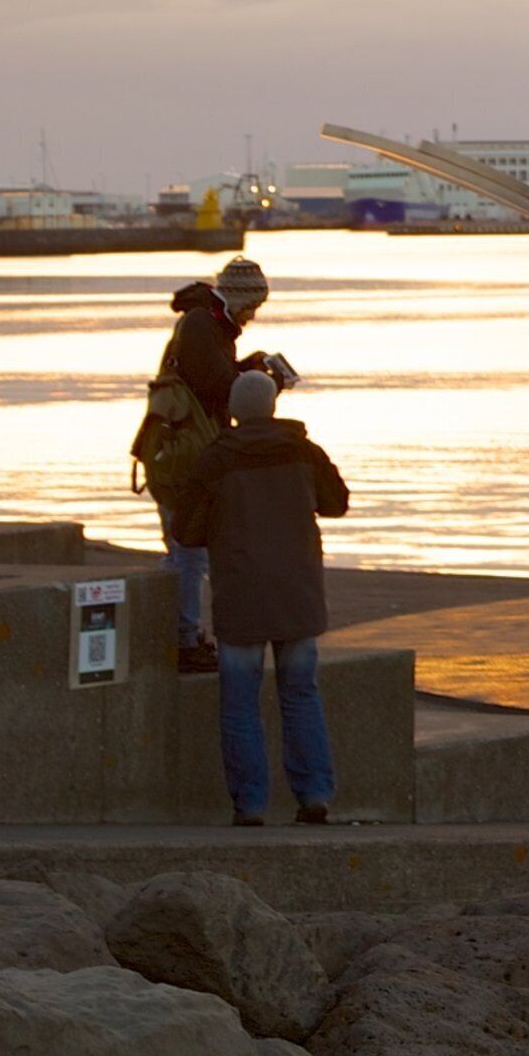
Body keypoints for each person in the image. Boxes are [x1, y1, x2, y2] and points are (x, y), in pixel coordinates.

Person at [171, 367, 349, 826]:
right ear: (273, 407)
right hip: (298, 592)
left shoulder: (216, 460)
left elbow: (185, 531)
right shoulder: (304, 451)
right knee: (301, 695)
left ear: (233, 411)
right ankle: (314, 795)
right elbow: (336, 503)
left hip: (241, 592)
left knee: (240, 703)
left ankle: (250, 805)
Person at [140, 255, 272, 670]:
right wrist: (262, 384)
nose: (253, 315)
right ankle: (182, 641)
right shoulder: (202, 324)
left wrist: (247, 370)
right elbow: (216, 387)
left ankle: (178, 632)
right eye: (252, 305)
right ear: (236, 297)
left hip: (182, 449)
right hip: (185, 455)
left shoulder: (209, 323)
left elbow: (210, 378)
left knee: (186, 549)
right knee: (189, 552)